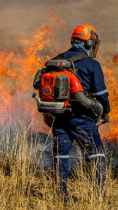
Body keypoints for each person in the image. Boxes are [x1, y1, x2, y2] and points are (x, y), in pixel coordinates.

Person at [51, 25, 110, 199]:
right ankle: (98, 196)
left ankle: (60, 195)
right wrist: (105, 111)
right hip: (82, 117)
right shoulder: (91, 64)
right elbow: (101, 94)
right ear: (90, 42)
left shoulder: (56, 59)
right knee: (96, 153)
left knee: (60, 155)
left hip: (59, 117)